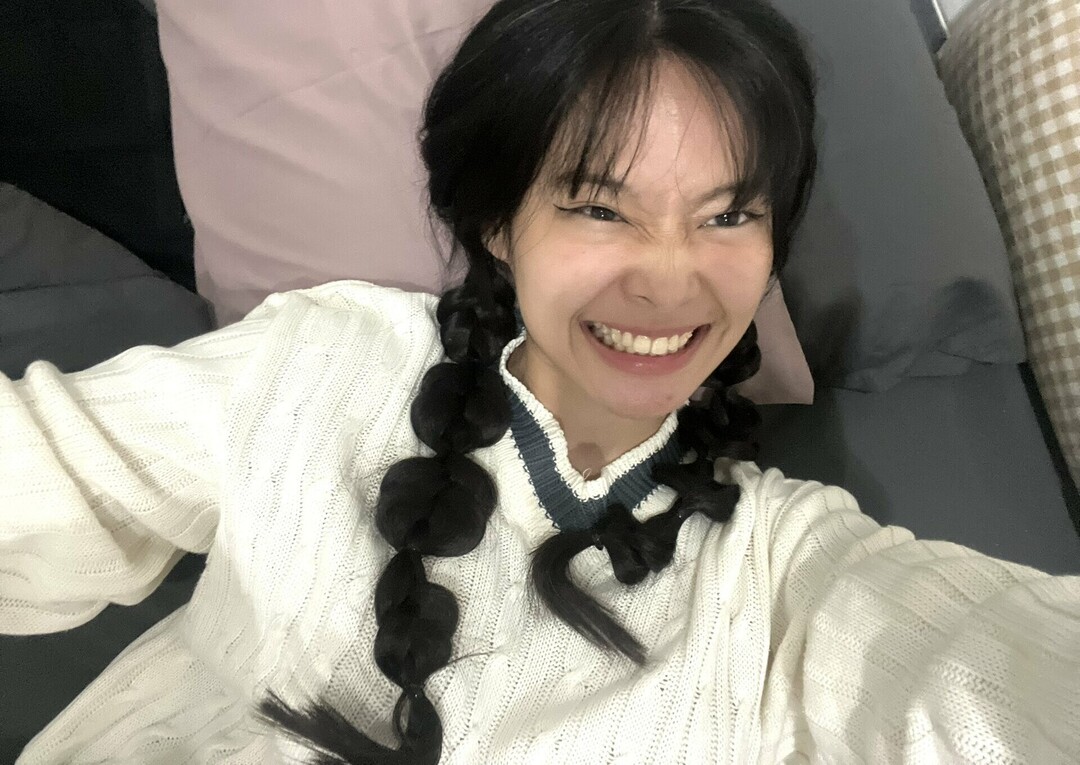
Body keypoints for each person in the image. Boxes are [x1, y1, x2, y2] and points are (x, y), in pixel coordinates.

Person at [2, 0, 1078, 762]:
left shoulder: (782, 570)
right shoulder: (322, 360)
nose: (670, 280)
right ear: (496, 223)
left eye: (728, 214)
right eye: (601, 207)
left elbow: (991, 672)